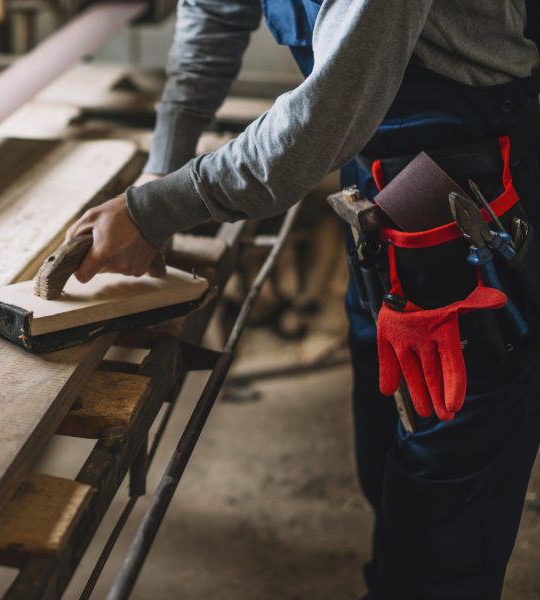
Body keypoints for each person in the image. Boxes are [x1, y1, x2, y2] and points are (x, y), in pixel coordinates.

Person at [65, 1, 540, 598]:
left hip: (474, 215)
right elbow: (214, 12)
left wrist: (154, 212)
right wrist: (163, 167)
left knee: (446, 502)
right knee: (389, 465)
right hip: (387, 209)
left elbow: (319, 124)